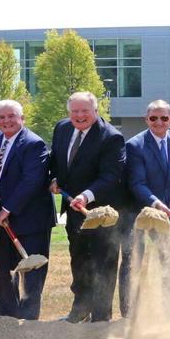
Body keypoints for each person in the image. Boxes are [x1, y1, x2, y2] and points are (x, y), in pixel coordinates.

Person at [48, 91, 129, 322]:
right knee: (79, 259)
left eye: (85, 111)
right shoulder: (62, 128)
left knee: (103, 263)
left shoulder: (111, 137)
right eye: (75, 111)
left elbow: (111, 176)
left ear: (95, 111)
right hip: (75, 213)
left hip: (103, 214)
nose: (80, 115)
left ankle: (101, 317)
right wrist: (55, 178)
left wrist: (86, 195)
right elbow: (58, 160)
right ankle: (80, 310)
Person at [120, 100, 170, 317]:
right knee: (133, 260)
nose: (158, 122)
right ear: (146, 119)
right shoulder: (135, 145)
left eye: (163, 118)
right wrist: (156, 204)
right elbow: (137, 183)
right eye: (153, 118)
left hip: (166, 213)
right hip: (138, 213)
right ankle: (129, 311)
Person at [0, 99, 52, 319]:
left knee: (31, 272)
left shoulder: (34, 143)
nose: (6, 121)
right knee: (4, 270)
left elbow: (31, 181)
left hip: (31, 218)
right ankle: (7, 317)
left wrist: (9, 208)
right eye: (1, 117)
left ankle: (29, 318)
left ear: (22, 118)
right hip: (3, 215)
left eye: (11, 116)